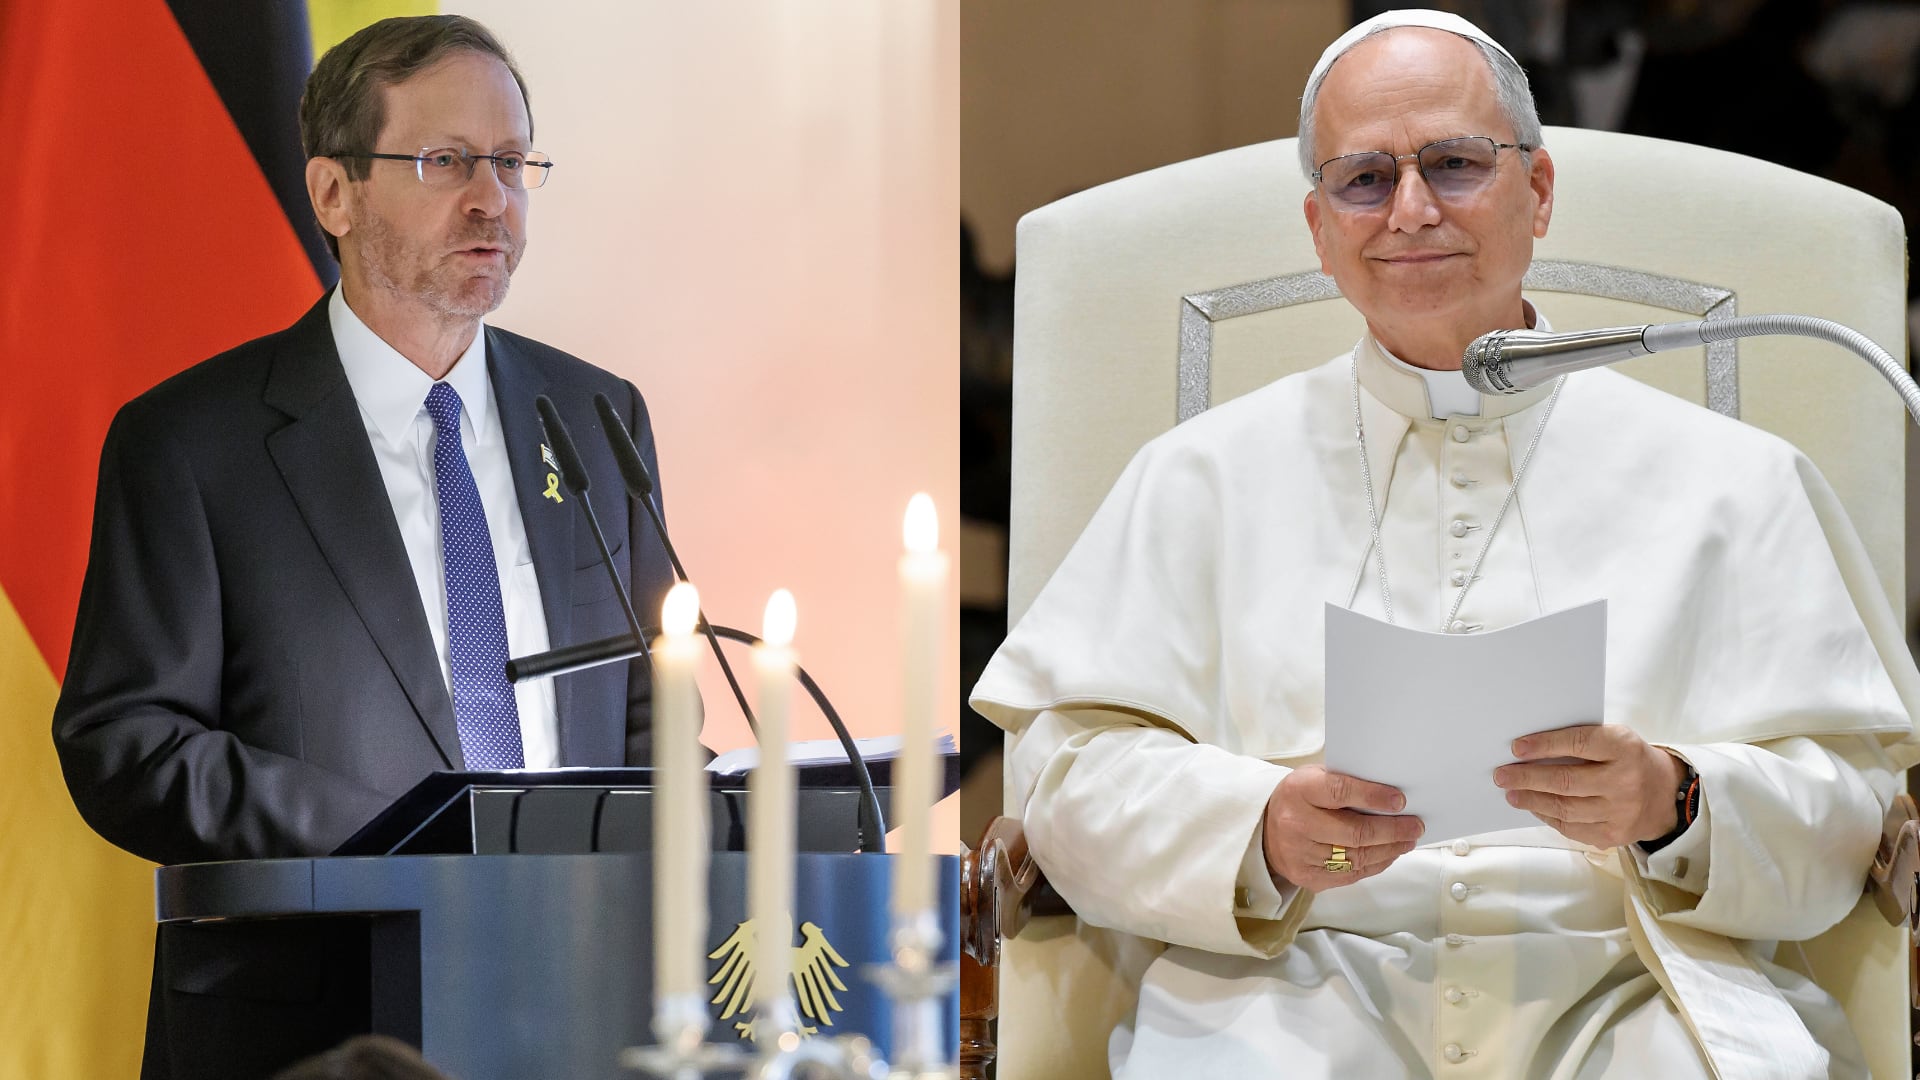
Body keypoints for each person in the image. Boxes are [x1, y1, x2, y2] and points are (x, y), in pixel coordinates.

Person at [971, 9, 1920, 1078]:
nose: (1411, 210)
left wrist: (1674, 800)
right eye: (1364, 179)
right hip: (1288, 994)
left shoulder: (1735, 481)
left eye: (1455, 164)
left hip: (1635, 986)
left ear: (1539, 191)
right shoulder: (1198, 477)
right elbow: (1066, 785)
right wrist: (1260, 828)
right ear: (1319, 228)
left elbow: (1851, 813)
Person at [50, 16, 675, 865]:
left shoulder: (596, 416)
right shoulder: (190, 446)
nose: (491, 199)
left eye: (510, 162)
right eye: (445, 161)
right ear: (333, 195)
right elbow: (128, 742)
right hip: (336, 942)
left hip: (577, 939)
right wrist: (397, 840)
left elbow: (650, 714)